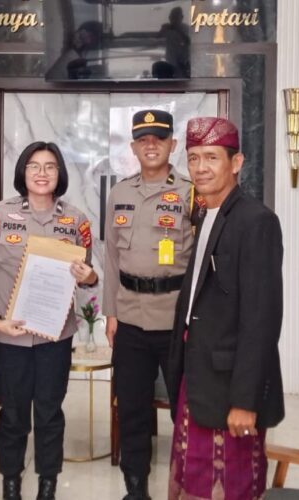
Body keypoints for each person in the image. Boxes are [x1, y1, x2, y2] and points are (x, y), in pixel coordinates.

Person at [167, 117, 284, 499]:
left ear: (236, 163)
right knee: (192, 478)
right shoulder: (206, 214)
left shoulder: (256, 221)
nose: (200, 167)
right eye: (194, 158)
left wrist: (245, 402)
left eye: (211, 157)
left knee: (232, 484)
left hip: (231, 386)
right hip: (198, 376)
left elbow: (261, 320)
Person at [0, 141, 98, 500]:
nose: (42, 173)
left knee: (49, 413)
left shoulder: (76, 220)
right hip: (9, 337)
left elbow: (86, 274)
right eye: (34, 166)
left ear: (60, 173)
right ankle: (11, 483)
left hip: (54, 338)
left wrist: (89, 276)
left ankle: (48, 484)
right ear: (23, 172)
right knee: (13, 415)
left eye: (50, 166)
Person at [103, 110, 193, 500]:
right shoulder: (120, 193)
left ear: (173, 145)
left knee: (185, 409)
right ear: (134, 147)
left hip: (176, 318)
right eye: (143, 139)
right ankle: (135, 488)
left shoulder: (191, 192)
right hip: (129, 319)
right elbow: (110, 258)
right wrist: (110, 313)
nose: (151, 145)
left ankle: (188, 484)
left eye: (159, 138)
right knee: (133, 408)